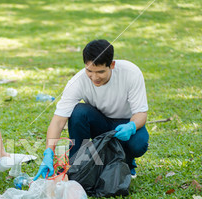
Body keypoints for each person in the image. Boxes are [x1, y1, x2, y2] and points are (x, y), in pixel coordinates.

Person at [34, 39, 149, 180]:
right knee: (78, 112)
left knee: (139, 143)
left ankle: (126, 161)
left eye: (100, 72)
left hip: (124, 125)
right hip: (99, 123)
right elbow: (58, 121)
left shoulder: (131, 73)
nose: (94, 77)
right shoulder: (78, 82)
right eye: (89, 71)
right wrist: (48, 152)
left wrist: (131, 127)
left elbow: (141, 114)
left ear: (112, 65)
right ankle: (76, 166)